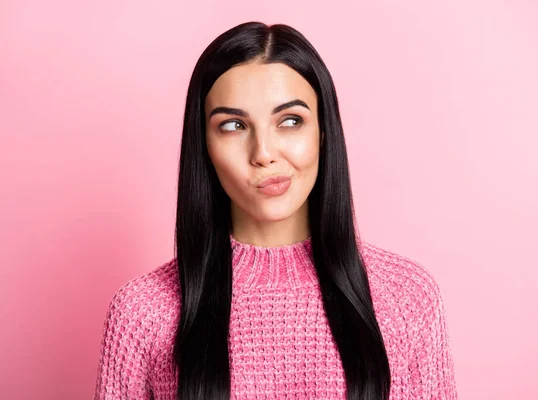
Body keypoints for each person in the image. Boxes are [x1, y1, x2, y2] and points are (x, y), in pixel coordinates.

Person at [93, 21, 458, 400]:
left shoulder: (407, 299)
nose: (264, 153)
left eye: (290, 121)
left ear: (323, 132)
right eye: (233, 125)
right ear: (204, 146)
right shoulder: (143, 314)